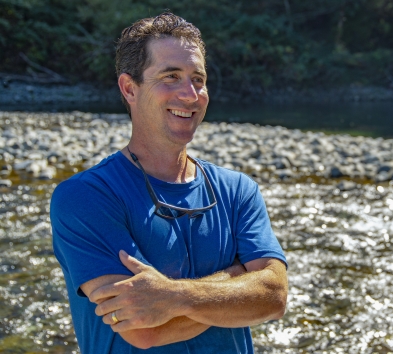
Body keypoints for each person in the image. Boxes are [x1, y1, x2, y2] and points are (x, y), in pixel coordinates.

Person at [51, 12, 288, 353]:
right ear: (130, 88)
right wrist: (239, 282)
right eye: (171, 76)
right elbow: (144, 332)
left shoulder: (238, 191)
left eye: (198, 79)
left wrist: (174, 297)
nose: (190, 94)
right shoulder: (85, 197)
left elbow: (274, 297)